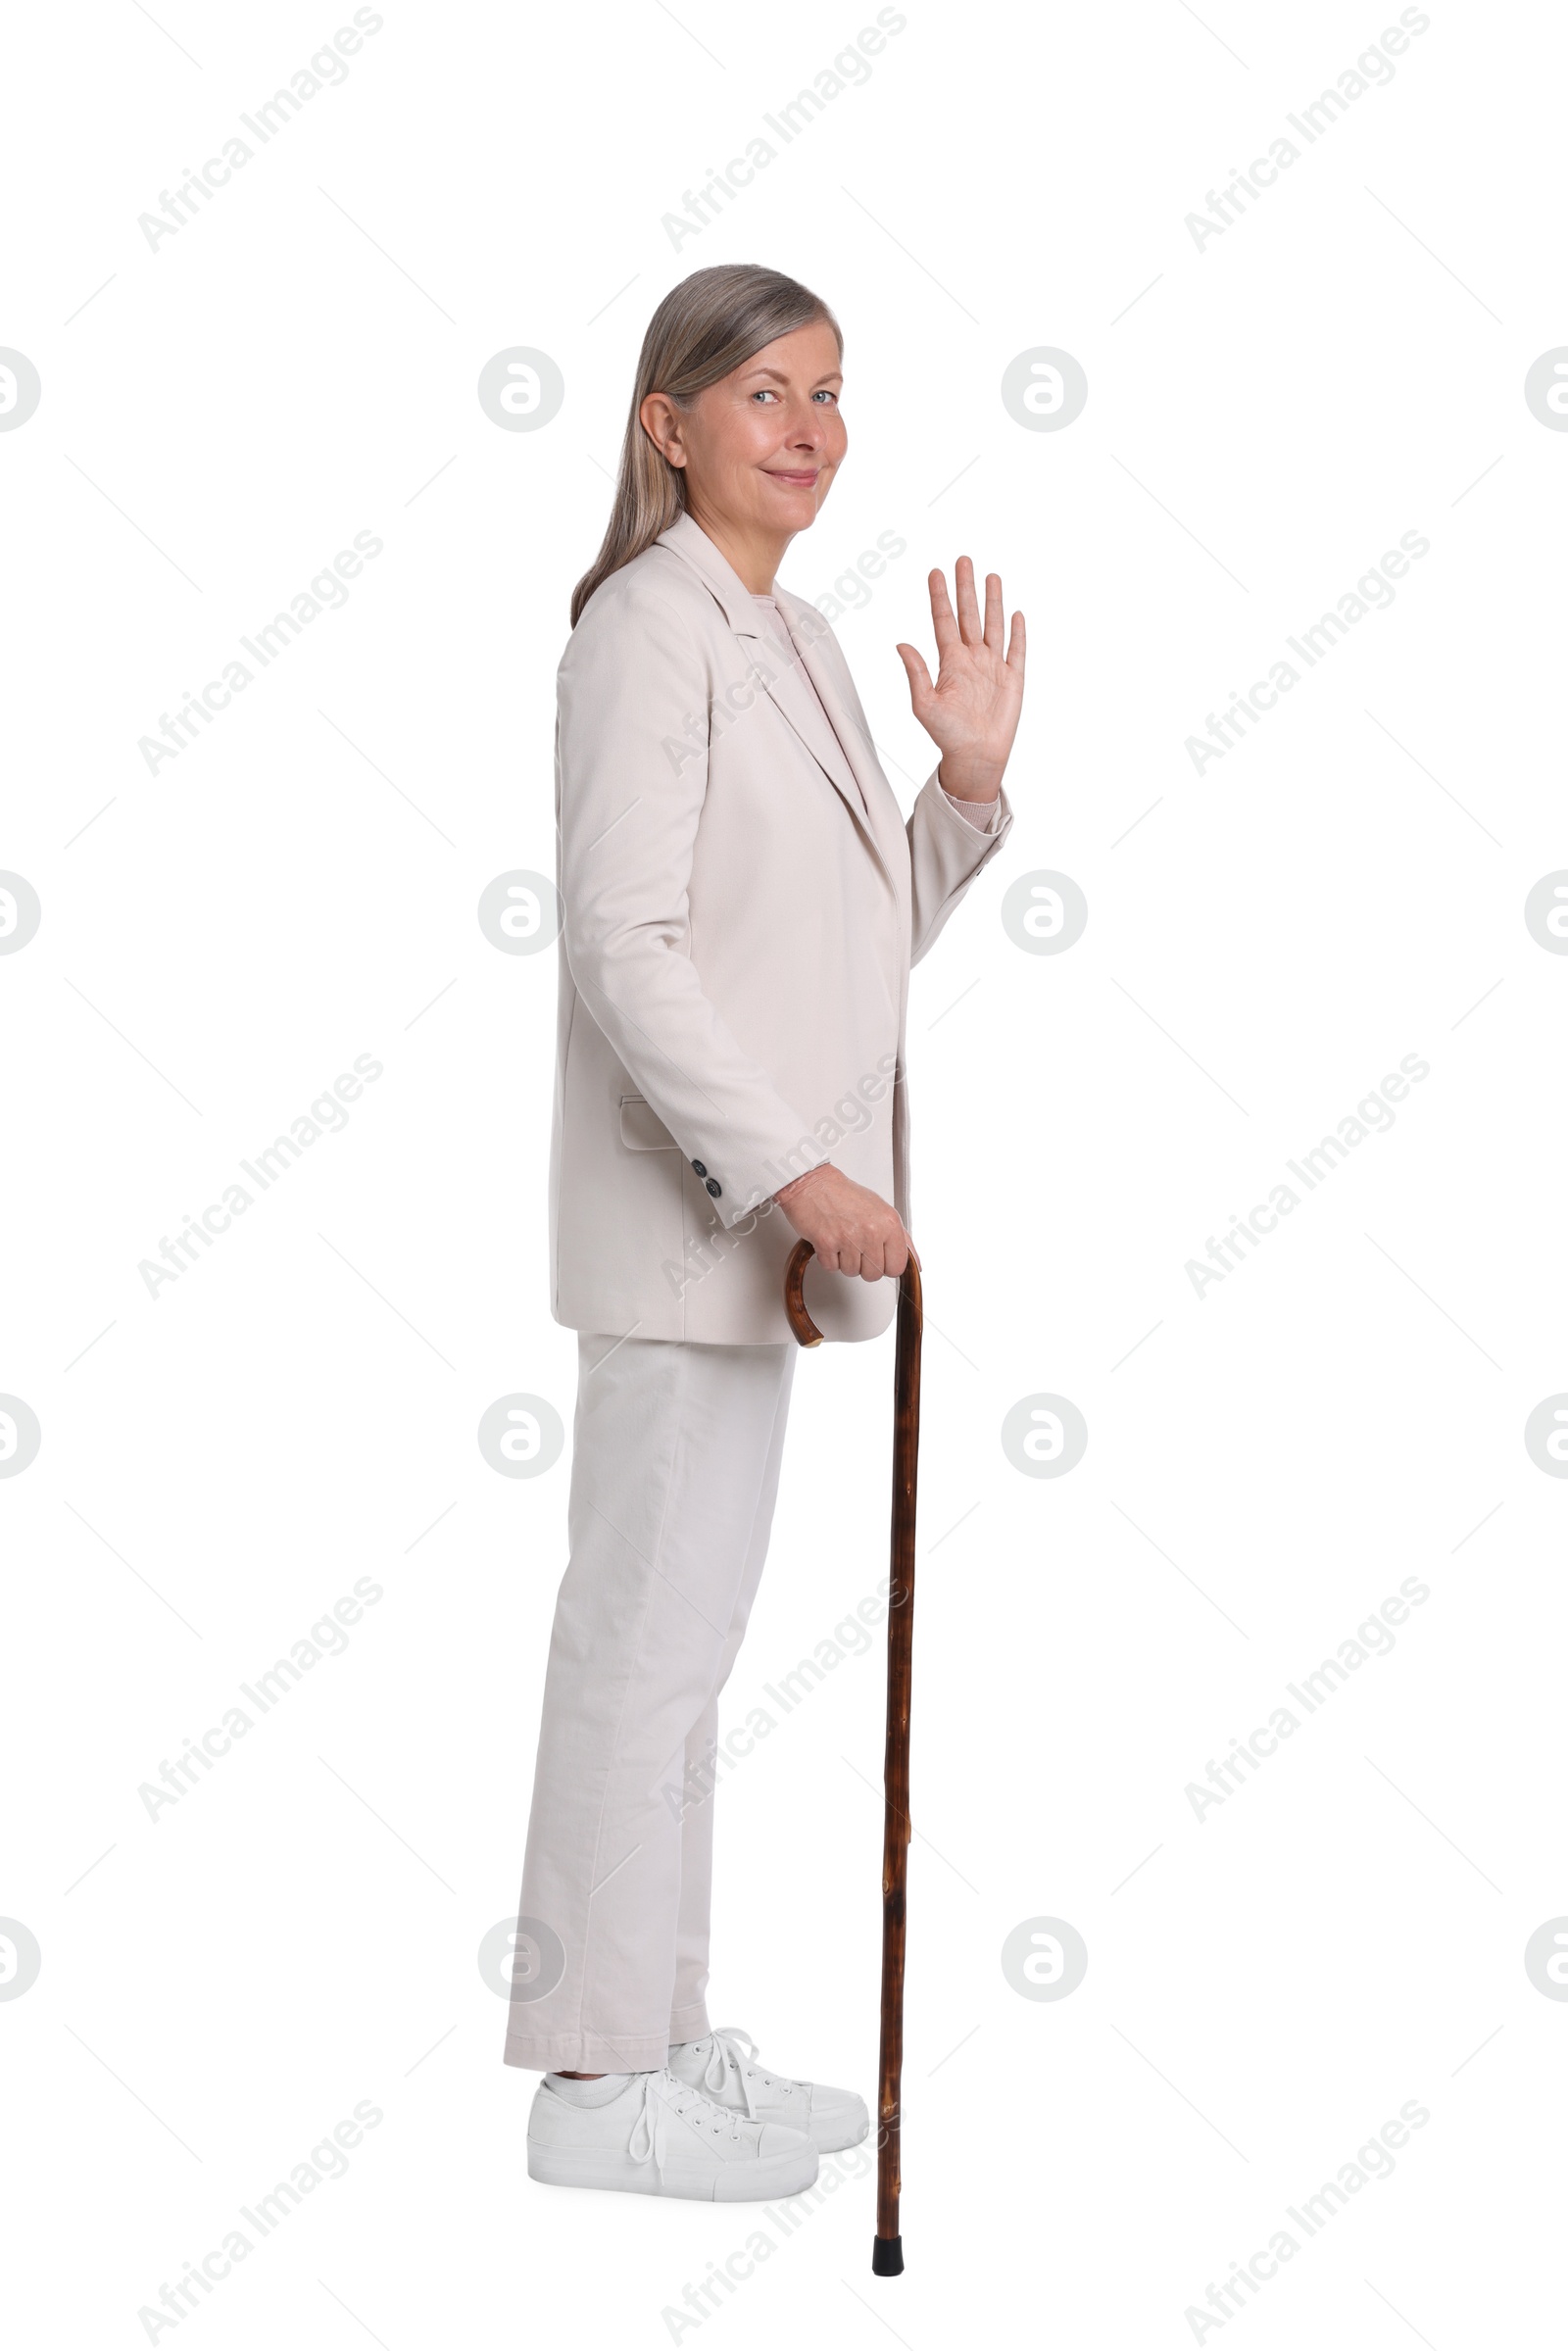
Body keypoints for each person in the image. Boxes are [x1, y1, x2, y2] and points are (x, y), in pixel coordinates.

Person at [505, 262, 1025, 2202]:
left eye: (826, 392)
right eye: (760, 394)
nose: (804, 427)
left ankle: (653, 2039)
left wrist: (961, 792)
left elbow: (841, 951)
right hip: (689, 1226)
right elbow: (624, 955)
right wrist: (795, 1177)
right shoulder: (646, 633)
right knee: (637, 1649)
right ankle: (584, 2088)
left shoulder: (788, 638)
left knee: (683, 1652)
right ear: (667, 425)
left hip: (761, 1248)